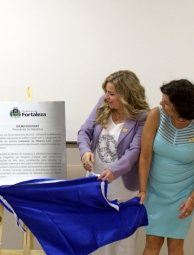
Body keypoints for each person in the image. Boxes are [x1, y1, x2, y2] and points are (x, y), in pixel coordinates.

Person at [77, 70, 150, 255]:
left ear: (126, 95)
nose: (106, 97)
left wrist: (114, 171)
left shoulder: (142, 117)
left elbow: (134, 152)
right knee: (98, 242)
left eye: (111, 94)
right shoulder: (103, 105)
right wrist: (85, 152)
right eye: (106, 92)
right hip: (97, 188)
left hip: (125, 191)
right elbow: (84, 131)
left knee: (124, 244)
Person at [138, 79, 194, 255]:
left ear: (181, 106)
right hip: (154, 192)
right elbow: (145, 156)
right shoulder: (156, 114)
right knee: (152, 243)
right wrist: (142, 190)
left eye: (167, 102)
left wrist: (192, 199)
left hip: (183, 195)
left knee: (175, 246)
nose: (161, 103)